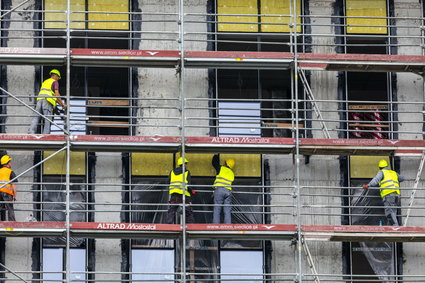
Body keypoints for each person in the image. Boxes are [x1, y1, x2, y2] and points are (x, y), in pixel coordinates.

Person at [363, 159, 404, 226]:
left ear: (380, 167)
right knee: (393, 212)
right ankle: (390, 227)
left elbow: (376, 180)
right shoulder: (393, 173)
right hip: (397, 194)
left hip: (388, 194)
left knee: (389, 213)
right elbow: (402, 178)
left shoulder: (382, 172)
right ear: (387, 166)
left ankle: (395, 227)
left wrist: (368, 185)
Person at [28, 69, 66, 134]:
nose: (58, 79)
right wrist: (62, 104)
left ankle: (31, 131)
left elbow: (53, 95)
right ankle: (46, 134)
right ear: (55, 76)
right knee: (48, 119)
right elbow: (57, 94)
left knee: (36, 117)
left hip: (40, 100)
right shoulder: (54, 82)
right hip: (47, 101)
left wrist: (59, 104)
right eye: (58, 77)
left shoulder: (45, 81)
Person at [166, 157, 195, 224]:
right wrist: (192, 191)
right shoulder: (187, 172)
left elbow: (167, 181)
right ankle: (191, 226)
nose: (186, 165)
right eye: (186, 163)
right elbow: (188, 184)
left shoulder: (172, 172)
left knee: (172, 210)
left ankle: (168, 224)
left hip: (174, 194)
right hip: (184, 194)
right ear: (183, 164)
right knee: (188, 211)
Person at [212, 154, 235, 224]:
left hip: (220, 190)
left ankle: (215, 225)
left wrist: (216, 155)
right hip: (228, 191)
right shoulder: (231, 173)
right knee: (227, 210)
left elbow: (214, 163)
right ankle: (228, 225)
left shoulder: (221, 168)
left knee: (217, 208)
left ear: (226, 163)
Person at [0, 155, 18, 221]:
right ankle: (12, 224)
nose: (11, 163)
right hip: (7, 193)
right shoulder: (10, 172)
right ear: (7, 163)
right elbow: (13, 184)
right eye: (10, 162)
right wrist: (15, 196)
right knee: (10, 209)